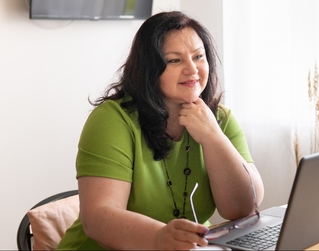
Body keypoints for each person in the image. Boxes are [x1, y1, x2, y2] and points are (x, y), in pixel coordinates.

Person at [57, 11, 264, 250]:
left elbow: (243, 208)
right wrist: (160, 237)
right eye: (174, 60)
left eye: (198, 56)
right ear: (149, 68)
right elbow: (99, 218)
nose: (192, 70)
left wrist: (213, 137)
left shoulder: (220, 119)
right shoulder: (112, 120)